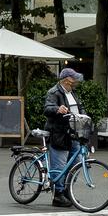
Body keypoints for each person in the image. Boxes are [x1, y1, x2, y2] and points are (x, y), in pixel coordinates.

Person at [43, 68, 86, 207]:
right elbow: (47, 109)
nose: (76, 83)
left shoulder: (71, 92)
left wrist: (84, 115)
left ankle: (68, 191)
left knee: (76, 162)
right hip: (59, 133)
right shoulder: (53, 92)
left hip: (73, 133)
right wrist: (57, 109)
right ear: (66, 80)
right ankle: (58, 195)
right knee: (59, 165)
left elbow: (79, 107)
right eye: (74, 81)